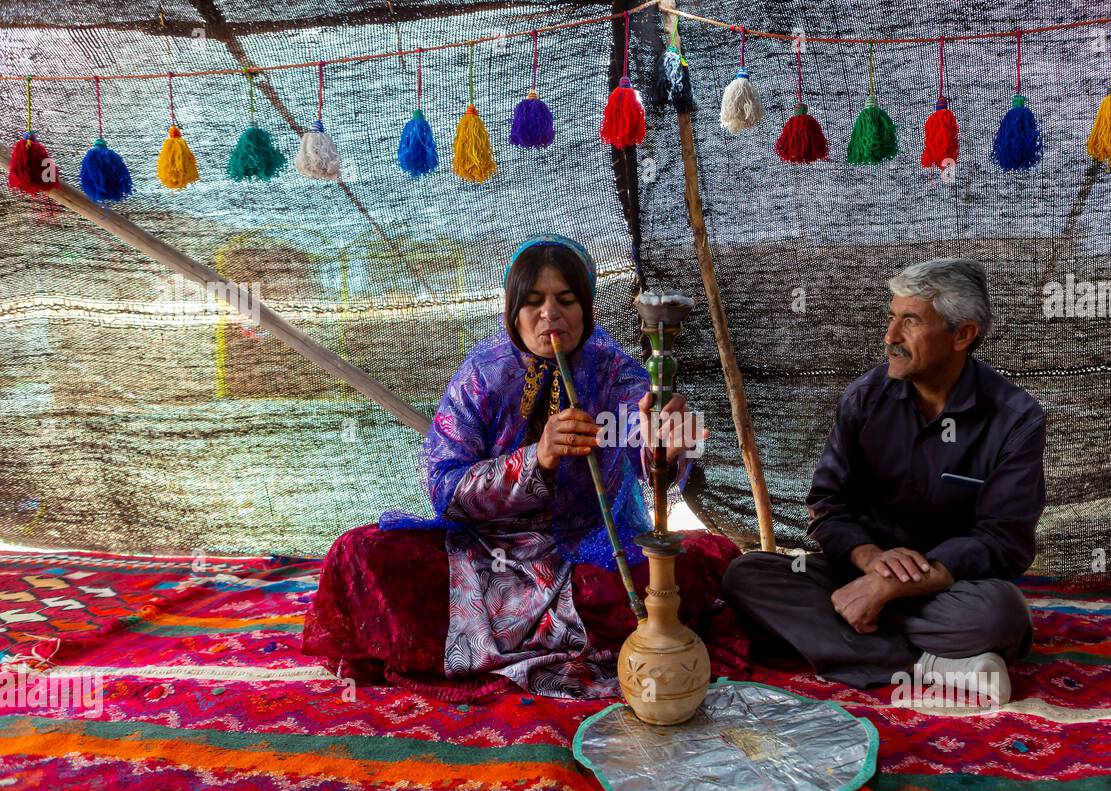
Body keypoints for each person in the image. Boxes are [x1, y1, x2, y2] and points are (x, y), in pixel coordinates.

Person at [302, 234, 735, 700]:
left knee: (698, 565)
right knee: (358, 553)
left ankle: (495, 643)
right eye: (533, 302)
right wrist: (535, 460)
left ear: (586, 307)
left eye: (566, 300)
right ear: (512, 309)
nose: (550, 314)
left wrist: (665, 446)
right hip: (485, 555)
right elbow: (445, 488)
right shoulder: (483, 372)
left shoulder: (614, 371)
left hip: (585, 552)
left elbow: (645, 447)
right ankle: (548, 640)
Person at [723, 258, 1047, 705]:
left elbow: (1004, 539)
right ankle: (931, 667)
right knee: (748, 575)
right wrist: (872, 561)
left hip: (945, 589)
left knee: (1001, 616)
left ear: (962, 335)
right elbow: (828, 506)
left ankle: (844, 638)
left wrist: (897, 584)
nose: (890, 337)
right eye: (892, 318)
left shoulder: (1015, 418)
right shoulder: (864, 399)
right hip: (856, 575)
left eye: (910, 321)